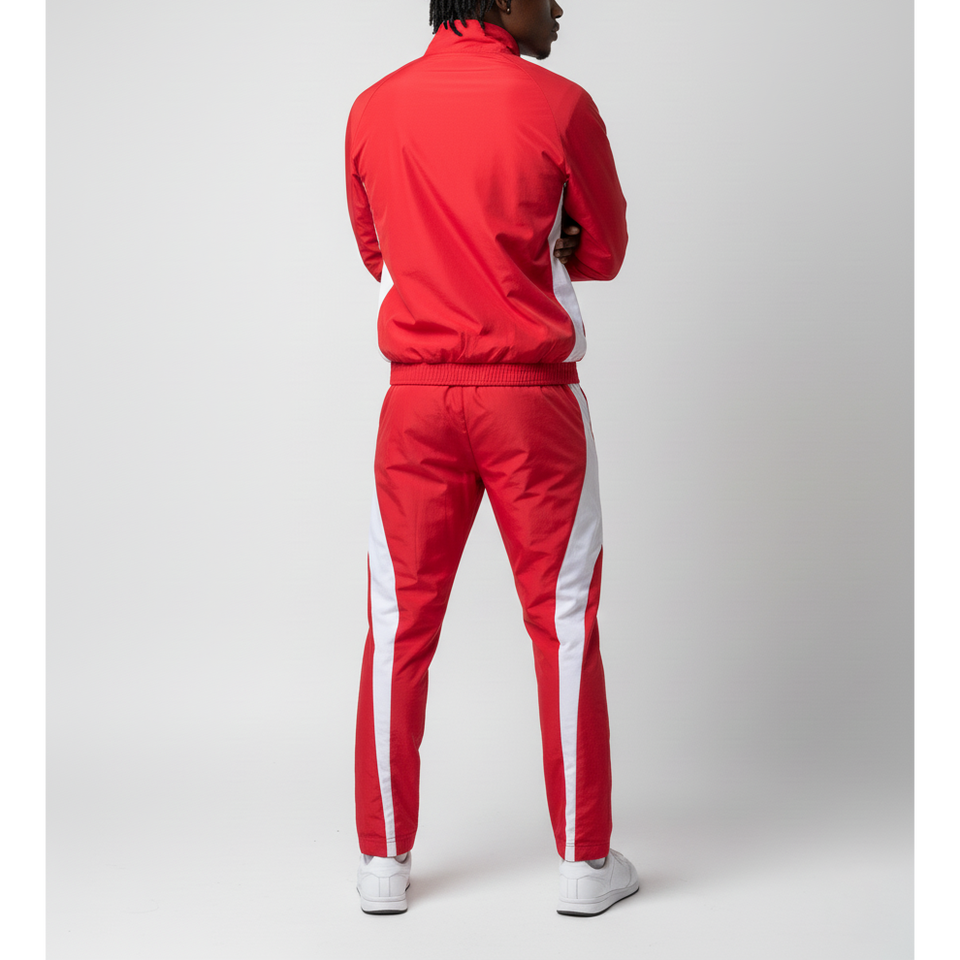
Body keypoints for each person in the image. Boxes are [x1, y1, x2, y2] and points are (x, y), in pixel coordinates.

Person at [345, 0, 639, 916]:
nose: (559, 7)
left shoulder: (372, 107)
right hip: (530, 400)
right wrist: (548, 240)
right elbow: (607, 249)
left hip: (416, 400)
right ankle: (584, 865)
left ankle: (382, 865)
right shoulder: (562, 105)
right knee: (564, 621)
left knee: (398, 624)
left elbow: (376, 251)